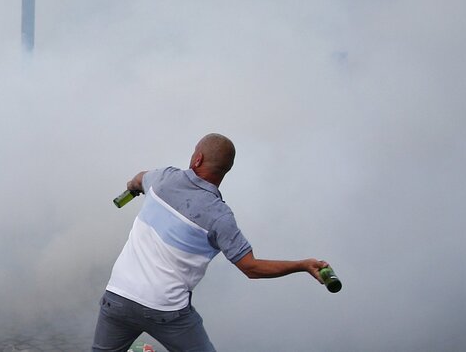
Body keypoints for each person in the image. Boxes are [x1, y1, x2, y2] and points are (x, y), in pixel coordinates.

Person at [92, 133, 329, 352]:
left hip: (118, 298)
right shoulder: (220, 217)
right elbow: (252, 268)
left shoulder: (162, 178)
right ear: (225, 171)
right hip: (167, 312)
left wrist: (134, 187)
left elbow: (137, 179)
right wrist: (303, 265)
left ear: (197, 159)